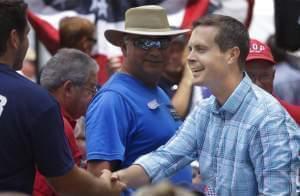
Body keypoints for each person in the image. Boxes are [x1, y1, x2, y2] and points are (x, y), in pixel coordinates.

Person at [111, 14, 300, 195]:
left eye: (200, 49)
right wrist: (118, 177)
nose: (190, 58)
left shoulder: (270, 121)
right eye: (190, 49)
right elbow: (165, 158)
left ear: (232, 55)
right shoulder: (205, 110)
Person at [0, 0, 124, 195]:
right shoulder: (36, 102)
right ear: (14, 39)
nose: (25, 44)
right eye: (26, 36)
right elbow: (65, 183)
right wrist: (104, 187)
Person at [85, 5, 192, 194]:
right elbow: (98, 182)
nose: (155, 51)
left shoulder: (156, 91)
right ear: (124, 47)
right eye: (144, 42)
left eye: (163, 43)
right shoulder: (113, 99)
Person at [33, 48, 98, 195]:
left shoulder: (34, 112)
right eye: (91, 89)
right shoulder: (57, 124)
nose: (94, 98)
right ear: (68, 88)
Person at [245, 39, 300, 124]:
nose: (257, 84)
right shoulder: (220, 110)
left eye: (264, 76)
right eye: (250, 76)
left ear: (273, 75)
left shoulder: (289, 114)